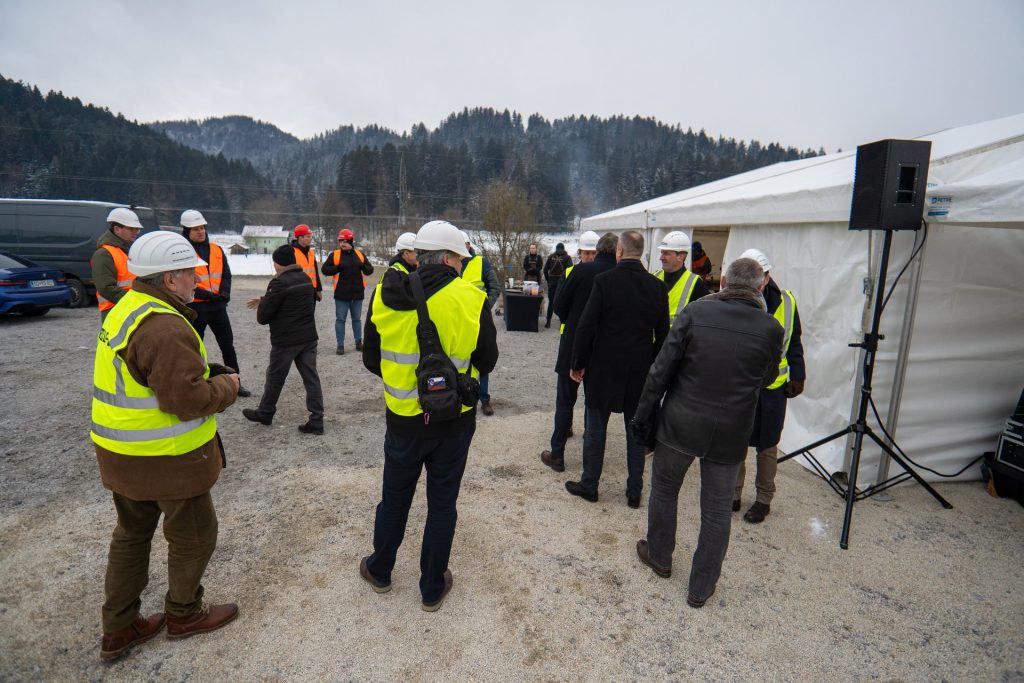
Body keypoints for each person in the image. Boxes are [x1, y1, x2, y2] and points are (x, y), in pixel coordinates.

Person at [91, 230, 240, 661]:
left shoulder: (129, 308)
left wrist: (203, 369)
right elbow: (185, 400)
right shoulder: (165, 326)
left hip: (121, 453)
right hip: (167, 460)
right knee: (195, 536)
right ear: (169, 280)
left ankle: (118, 627)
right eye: (190, 273)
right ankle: (184, 613)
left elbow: (147, 372)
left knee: (132, 535)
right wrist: (226, 386)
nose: (197, 278)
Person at [360, 220, 498, 612]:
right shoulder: (471, 299)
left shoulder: (385, 295)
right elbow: (487, 360)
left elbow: (372, 359)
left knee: (394, 497)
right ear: (452, 257)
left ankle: (380, 570)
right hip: (454, 422)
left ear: (419, 255)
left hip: (402, 418)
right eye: (460, 258)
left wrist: (406, 382)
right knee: (442, 503)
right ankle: (432, 587)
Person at [630, 257, 783, 608]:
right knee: (715, 511)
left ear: (724, 280)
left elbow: (661, 370)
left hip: (681, 421)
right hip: (731, 430)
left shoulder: (695, 313)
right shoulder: (772, 328)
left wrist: (643, 416)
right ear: (761, 287)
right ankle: (701, 586)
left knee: (665, 491)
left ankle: (659, 556)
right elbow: (766, 377)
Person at [565, 230, 669, 508]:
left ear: (619, 252)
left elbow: (586, 326)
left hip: (603, 367)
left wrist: (578, 363)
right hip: (639, 369)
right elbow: (663, 334)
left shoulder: (604, 281)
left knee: (596, 427)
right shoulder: (657, 287)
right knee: (635, 430)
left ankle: (590, 484)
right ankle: (634, 491)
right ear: (642, 253)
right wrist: (651, 364)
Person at [733, 248, 806, 523]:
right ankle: (733, 494)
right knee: (736, 442)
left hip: (773, 390)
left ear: (767, 276)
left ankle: (763, 500)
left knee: (767, 447)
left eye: (762, 275)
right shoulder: (736, 299)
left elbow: (795, 341)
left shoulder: (786, 301)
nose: (758, 280)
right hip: (742, 387)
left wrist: (798, 375)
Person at [540, 231, 616, 473]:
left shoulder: (578, 272)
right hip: (602, 348)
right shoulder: (615, 275)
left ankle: (558, 453)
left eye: (592, 252)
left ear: (598, 251)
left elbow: (560, 304)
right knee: (593, 401)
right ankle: (588, 448)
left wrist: (573, 319)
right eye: (586, 253)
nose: (589, 256)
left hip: (573, 344)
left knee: (565, 400)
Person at [242, 245, 325, 435]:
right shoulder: (305, 278)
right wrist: (265, 298)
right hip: (308, 338)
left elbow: (264, 318)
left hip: (286, 341)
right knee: (311, 379)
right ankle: (317, 420)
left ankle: (265, 412)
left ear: (278, 264)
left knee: (275, 377)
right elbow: (290, 300)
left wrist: (263, 303)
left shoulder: (278, 283)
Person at [180, 210, 251, 397]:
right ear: (186, 231)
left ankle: (236, 383)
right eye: (195, 229)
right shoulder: (183, 253)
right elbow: (185, 281)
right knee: (195, 348)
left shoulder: (217, 249)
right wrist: (210, 295)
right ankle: (196, 384)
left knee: (228, 346)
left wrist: (225, 292)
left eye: (202, 228)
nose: (200, 232)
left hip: (218, 308)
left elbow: (226, 274)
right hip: (196, 307)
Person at [460, 230, 501, 416]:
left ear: (469, 245)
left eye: (465, 244)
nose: (463, 248)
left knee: (482, 359)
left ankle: (484, 399)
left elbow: (495, 287)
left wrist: (484, 308)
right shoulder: (450, 264)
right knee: (460, 359)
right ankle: (462, 397)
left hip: (479, 320)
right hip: (458, 320)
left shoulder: (481, 262)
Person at [321, 228, 374, 355]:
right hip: (341, 295)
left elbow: (370, 270)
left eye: (345, 241)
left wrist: (363, 266)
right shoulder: (335, 255)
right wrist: (337, 268)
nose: (342, 244)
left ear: (350, 241)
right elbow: (324, 270)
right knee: (340, 320)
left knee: (357, 320)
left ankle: (358, 342)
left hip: (357, 294)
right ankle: (340, 345)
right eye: (340, 241)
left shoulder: (360, 254)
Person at [91, 207, 143, 320]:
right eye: (132, 229)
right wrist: (135, 302)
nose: (136, 232)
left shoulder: (126, 250)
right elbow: (106, 288)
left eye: (137, 229)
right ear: (117, 229)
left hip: (128, 309)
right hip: (115, 312)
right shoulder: (104, 254)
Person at [654, 231, 710, 326]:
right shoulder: (654, 277)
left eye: (666, 253)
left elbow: (704, 318)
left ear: (681, 256)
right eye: (661, 253)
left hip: (677, 340)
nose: (661, 257)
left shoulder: (696, 283)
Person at [543, 242, 573, 328]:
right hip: (562, 283)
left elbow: (545, 270)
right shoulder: (567, 257)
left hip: (552, 282)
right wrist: (566, 281)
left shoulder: (550, 257)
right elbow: (570, 270)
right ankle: (561, 324)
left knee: (551, 302)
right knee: (562, 302)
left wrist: (548, 280)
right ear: (563, 249)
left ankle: (548, 322)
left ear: (556, 249)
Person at [290, 224, 323, 302]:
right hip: (298, 291)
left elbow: (315, 273)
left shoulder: (311, 253)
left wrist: (318, 290)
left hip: (312, 291)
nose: (310, 239)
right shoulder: (291, 252)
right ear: (300, 238)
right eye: (308, 236)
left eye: (310, 236)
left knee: (310, 314)